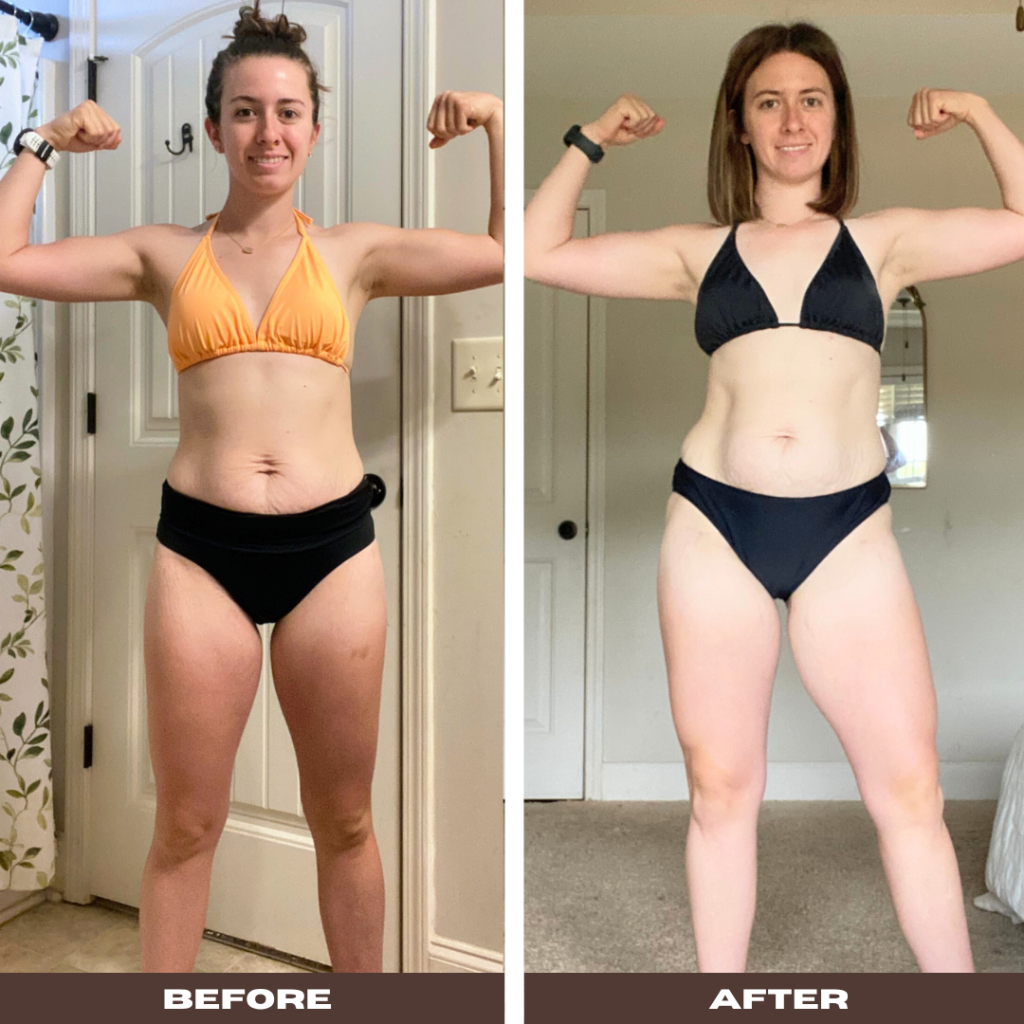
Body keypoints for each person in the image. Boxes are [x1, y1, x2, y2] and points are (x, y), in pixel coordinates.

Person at [0, 3, 502, 972]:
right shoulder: (161, 254)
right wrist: (45, 139)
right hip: (202, 558)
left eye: (286, 112)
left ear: (314, 126)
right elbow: (8, 260)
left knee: (346, 818)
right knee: (187, 823)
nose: (267, 133)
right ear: (214, 126)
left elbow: (501, 252)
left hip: (332, 557)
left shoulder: (356, 254)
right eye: (243, 112)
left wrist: (488, 121)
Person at [525, 21, 1024, 973]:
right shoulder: (694, 252)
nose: (792, 119)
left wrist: (983, 114)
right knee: (720, 788)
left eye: (812, 99)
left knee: (911, 789)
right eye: (768, 101)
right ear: (739, 125)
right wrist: (590, 137)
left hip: (848, 530)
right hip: (716, 523)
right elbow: (540, 252)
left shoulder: (885, 242)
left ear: (836, 120)